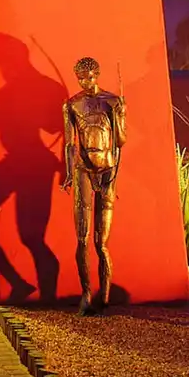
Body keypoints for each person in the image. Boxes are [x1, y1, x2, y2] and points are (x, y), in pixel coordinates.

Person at [60, 56, 126, 313]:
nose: (86, 82)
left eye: (90, 77)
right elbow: (69, 144)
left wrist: (121, 115)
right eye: (81, 78)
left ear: (97, 75)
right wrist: (68, 173)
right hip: (83, 171)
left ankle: (105, 294)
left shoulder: (112, 101)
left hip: (107, 171)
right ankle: (86, 292)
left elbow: (121, 142)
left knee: (102, 242)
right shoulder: (72, 105)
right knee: (82, 238)